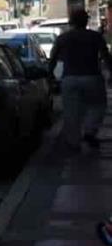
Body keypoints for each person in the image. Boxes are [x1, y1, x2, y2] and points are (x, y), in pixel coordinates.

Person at [48, 9, 112, 150]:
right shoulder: (95, 37)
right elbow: (106, 57)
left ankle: (73, 142)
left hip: (69, 79)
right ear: (86, 21)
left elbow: (52, 60)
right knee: (98, 105)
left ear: (71, 22)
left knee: (71, 111)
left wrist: (49, 76)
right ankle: (90, 131)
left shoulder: (62, 38)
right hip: (92, 77)